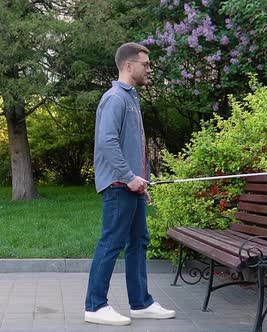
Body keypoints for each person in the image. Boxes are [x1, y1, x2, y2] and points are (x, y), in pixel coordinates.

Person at [84, 42, 176, 326]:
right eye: (145, 64)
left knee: (138, 241)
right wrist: (128, 177)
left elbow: (133, 146)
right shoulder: (115, 98)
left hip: (132, 185)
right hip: (117, 184)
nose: (149, 69)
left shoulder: (131, 98)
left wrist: (140, 181)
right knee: (112, 242)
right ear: (128, 65)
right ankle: (95, 306)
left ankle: (141, 303)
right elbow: (107, 143)